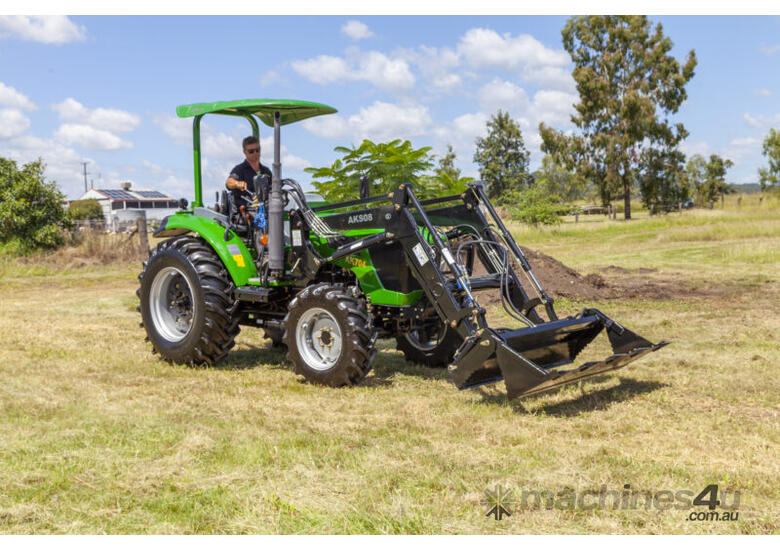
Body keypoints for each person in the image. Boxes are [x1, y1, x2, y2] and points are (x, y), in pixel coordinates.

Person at [225, 136, 273, 206]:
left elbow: (274, 189)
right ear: (244, 152)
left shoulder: (266, 171)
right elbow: (229, 182)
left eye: (257, 150)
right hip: (244, 213)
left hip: (265, 211)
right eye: (251, 151)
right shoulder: (239, 169)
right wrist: (237, 183)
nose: (255, 153)